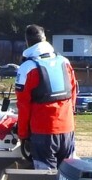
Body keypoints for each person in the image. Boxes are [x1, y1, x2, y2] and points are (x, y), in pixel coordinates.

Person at [14, 24, 78, 169]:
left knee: (45, 179)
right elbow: (73, 94)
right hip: (67, 129)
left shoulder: (27, 68)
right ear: (45, 39)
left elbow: (23, 105)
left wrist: (22, 134)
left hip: (43, 132)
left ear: (27, 41)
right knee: (67, 176)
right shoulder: (64, 62)